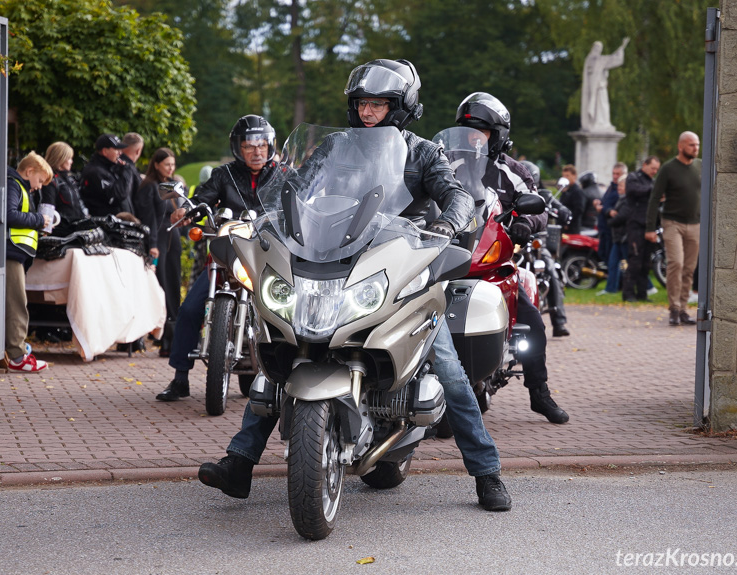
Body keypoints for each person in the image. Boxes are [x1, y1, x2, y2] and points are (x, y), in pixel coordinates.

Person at [198, 60, 512, 512]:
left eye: (379, 104)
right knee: (291, 351)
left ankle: (487, 474)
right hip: (334, 263)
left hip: (399, 272)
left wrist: (447, 224)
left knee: (449, 370)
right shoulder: (335, 146)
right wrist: (268, 219)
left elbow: (457, 194)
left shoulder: (422, 152)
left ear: (401, 106)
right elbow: (297, 189)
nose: (368, 112)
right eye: (363, 103)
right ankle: (240, 462)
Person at [456, 92, 570, 423]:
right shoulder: (449, 164)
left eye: (481, 132)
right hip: (451, 259)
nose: (473, 139)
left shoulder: (514, 171)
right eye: (467, 133)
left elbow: (539, 210)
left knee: (532, 323)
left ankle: (539, 392)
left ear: (498, 135)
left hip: (493, 261)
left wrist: (524, 222)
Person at [155, 115, 278, 398]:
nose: (256, 151)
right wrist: (187, 211)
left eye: (261, 145)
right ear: (239, 148)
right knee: (188, 311)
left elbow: (300, 201)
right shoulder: (225, 175)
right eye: (249, 146)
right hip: (226, 258)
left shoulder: (283, 175)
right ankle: (180, 378)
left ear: (270, 146)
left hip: (267, 261)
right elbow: (203, 198)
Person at [646, 132, 701, 326]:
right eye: (691, 145)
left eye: (697, 145)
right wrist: (650, 227)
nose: (695, 148)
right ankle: (674, 308)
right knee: (675, 263)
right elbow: (654, 198)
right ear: (681, 146)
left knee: (689, 268)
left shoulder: (701, 166)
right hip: (672, 223)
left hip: (695, 224)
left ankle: (684, 309)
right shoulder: (668, 169)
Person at [5, 152, 53, 372]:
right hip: (10, 252)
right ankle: (17, 356)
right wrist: (38, 221)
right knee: (17, 303)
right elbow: (9, 215)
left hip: (12, 251)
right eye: (40, 180)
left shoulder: (15, 185)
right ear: (30, 171)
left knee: (13, 303)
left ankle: (12, 350)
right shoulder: (14, 184)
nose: (39, 187)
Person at [134, 148, 184, 357]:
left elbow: (174, 214)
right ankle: (162, 338)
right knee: (161, 286)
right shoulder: (149, 186)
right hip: (159, 240)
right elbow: (149, 218)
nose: (170, 169)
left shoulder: (169, 184)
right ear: (156, 164)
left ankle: (173, 340)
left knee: (173, 286)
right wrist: (152, 243)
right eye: (166, 165)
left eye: (172, 165)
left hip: (173, 238)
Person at [521, 160, 571, 337]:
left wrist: (563, 212)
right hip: (516, 241)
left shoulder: (544, 195)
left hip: (537, 243)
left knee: (551, 270)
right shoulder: (511, 193)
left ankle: (559, 322)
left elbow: (561, 209)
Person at [622, 156, 661, 302]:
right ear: (644, 165)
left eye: (656, 170)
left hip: (649, 226)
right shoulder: (633, 177)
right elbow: (635, 191)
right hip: (635, 225)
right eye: (652, 168)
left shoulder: (652, 181)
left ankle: (642, 294)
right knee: (635, 261)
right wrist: (655, 190)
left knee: (646, 263)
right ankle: (628, 293)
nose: (654, 172)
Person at [41, 142, 89, 237]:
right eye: (69, 158)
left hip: (76, 231)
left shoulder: (70, 180)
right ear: (60, 159)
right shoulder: (50, 181)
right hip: (61, 234)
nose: (71, 161)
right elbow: (47, 209)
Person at [581, 38, 629, 132]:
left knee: (603, 106)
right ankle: (596, 123)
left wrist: (622, 47)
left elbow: (613, 59)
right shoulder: (592, 60)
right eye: (596, 48)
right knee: (598, 105)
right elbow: (612, 59)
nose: (598, 50)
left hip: (601, 87)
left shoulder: (599, 60)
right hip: (595, 88)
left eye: (599, 49)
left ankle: (602, 123)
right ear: (593, 48)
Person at [80, 134, 133, 217]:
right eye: (116, 149)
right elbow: (116, 196)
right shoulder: (95, 172)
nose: (120, 153)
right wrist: (126, 172)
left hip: (116, 223)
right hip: (106, 225)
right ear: (105, 151)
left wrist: (121, 170)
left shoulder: (111, 167)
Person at [595, 162, 627, 267]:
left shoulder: (622, 191)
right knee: (606, 257)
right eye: (614, 173)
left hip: (614, 230)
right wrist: (600, 203)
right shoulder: (612, 187)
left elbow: (618, 211)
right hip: (605, 227)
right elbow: (608, 203)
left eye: (618, 174)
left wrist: (605, 210)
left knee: (614, 261)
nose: (615, 176)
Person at [603, 176, 629, 294]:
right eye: (618, 185)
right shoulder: (621, 199)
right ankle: (611, 288)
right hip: (619, 237)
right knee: (613, 263)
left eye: (621, 186)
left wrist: (610, 221)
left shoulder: (626, 200)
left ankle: (648, 287)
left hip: (624, 237)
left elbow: (622, 217)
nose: (618, 188)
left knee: (630, 264)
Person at [559, 164, 587, 234]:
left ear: (574, 176)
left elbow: (579, 210)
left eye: (567, 176)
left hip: (572, 228)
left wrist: (568, 223)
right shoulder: (565, 190)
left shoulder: (577, 191)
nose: (565, 178)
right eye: (564, 176)